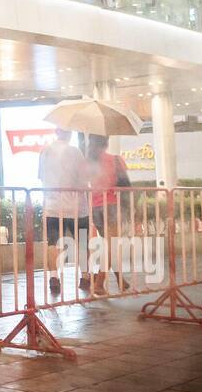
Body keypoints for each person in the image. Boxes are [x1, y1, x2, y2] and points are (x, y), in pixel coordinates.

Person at [39, 127, 90, 300]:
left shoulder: (45, 151)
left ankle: (54, 277)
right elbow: (83, 180)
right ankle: (85, 276)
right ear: (70, 133)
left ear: (56, 131)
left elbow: (41, 177)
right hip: (76, 206)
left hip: (52, 205)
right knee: (82, 241)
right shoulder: (75, 152)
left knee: (53, 242)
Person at [86, 134, 133, 296]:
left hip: (95, 207)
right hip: (111, 206)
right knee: (111, 246)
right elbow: (126, 185)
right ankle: (99, 284)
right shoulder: (115, 160)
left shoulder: (88, 163)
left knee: (108, 245)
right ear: (106, 144)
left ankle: (120, 280)